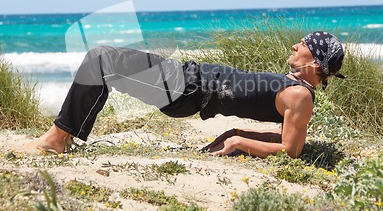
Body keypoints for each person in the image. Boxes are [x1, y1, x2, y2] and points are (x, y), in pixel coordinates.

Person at [23, 30, 345, 159]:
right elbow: (285, 138)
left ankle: (56, 139)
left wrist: (237, 142)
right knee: (105, 62)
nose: (294, 45)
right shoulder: (295, 87)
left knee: (101, 59)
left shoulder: (301, 97)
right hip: (188, 78)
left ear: (315, 62)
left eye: (302, 44)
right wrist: (236, 131)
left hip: (187, 89)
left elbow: (290, 149)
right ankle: (62, 136)